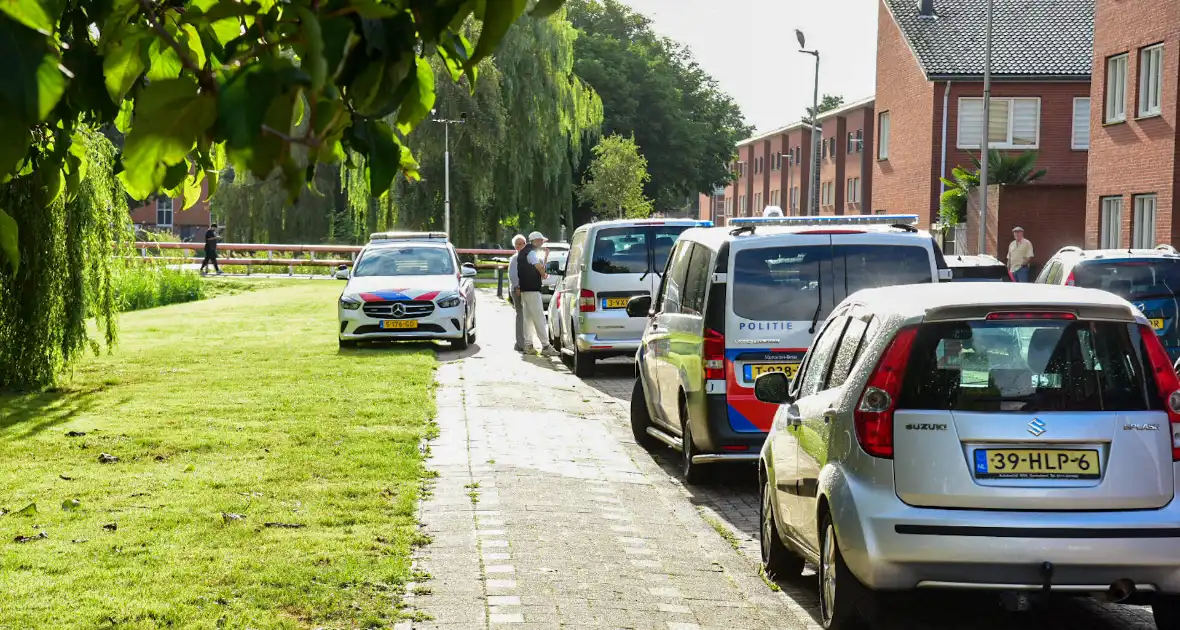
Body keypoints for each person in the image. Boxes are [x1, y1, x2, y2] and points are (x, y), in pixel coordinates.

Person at [518, 231, 557, 356]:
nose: (541, 243)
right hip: (533, 290)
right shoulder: (531, 253)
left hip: (525, 290)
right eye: (540, 241)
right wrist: (543, 274)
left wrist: (545, 259)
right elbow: (539, 267)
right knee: (539, 318)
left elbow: (539, 267)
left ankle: (528, 345)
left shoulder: (523, 252)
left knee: (528, 319)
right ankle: (545, 345)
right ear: (534, 241)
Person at [506, 234, 526, 352]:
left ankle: (523, 342)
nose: (520, 246)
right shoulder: (515, 258)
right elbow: (513, 275)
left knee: (524, 316)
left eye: (522, 243)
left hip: (525, 289)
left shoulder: (525, 256)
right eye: (518, 244)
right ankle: (520, 343)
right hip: (517, 290)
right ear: (515, 246)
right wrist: (517, 287)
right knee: (521, 315)